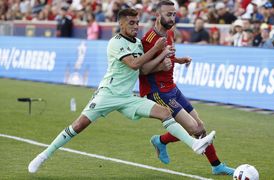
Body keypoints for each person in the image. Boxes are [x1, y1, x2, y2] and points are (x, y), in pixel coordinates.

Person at [28, 8, 216, 174]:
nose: (136, 26)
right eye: (131, 23)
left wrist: (174, 59)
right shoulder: (115, 42)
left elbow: (145, 68)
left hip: (127, 97)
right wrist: (157, 49)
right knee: (78, 126)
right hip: (107, 95)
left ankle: (195, 144)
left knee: (165, 112)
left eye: (137, 22)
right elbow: (134, 64)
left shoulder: (138, 44)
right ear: (121, 23)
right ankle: (44, 155)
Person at [139, 0, 234, 176]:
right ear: (158, 15)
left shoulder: (169, 32)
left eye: (174, 14)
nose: (172, 17)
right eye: (168, 14)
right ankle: (160, 140)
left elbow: (166, 56)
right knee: (195, 130)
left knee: (201, 127)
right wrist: (162, 65)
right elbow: (142, 69)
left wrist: (178, 60)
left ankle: (216, 166)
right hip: (157, 91)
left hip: (171, 87)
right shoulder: (149, 39)